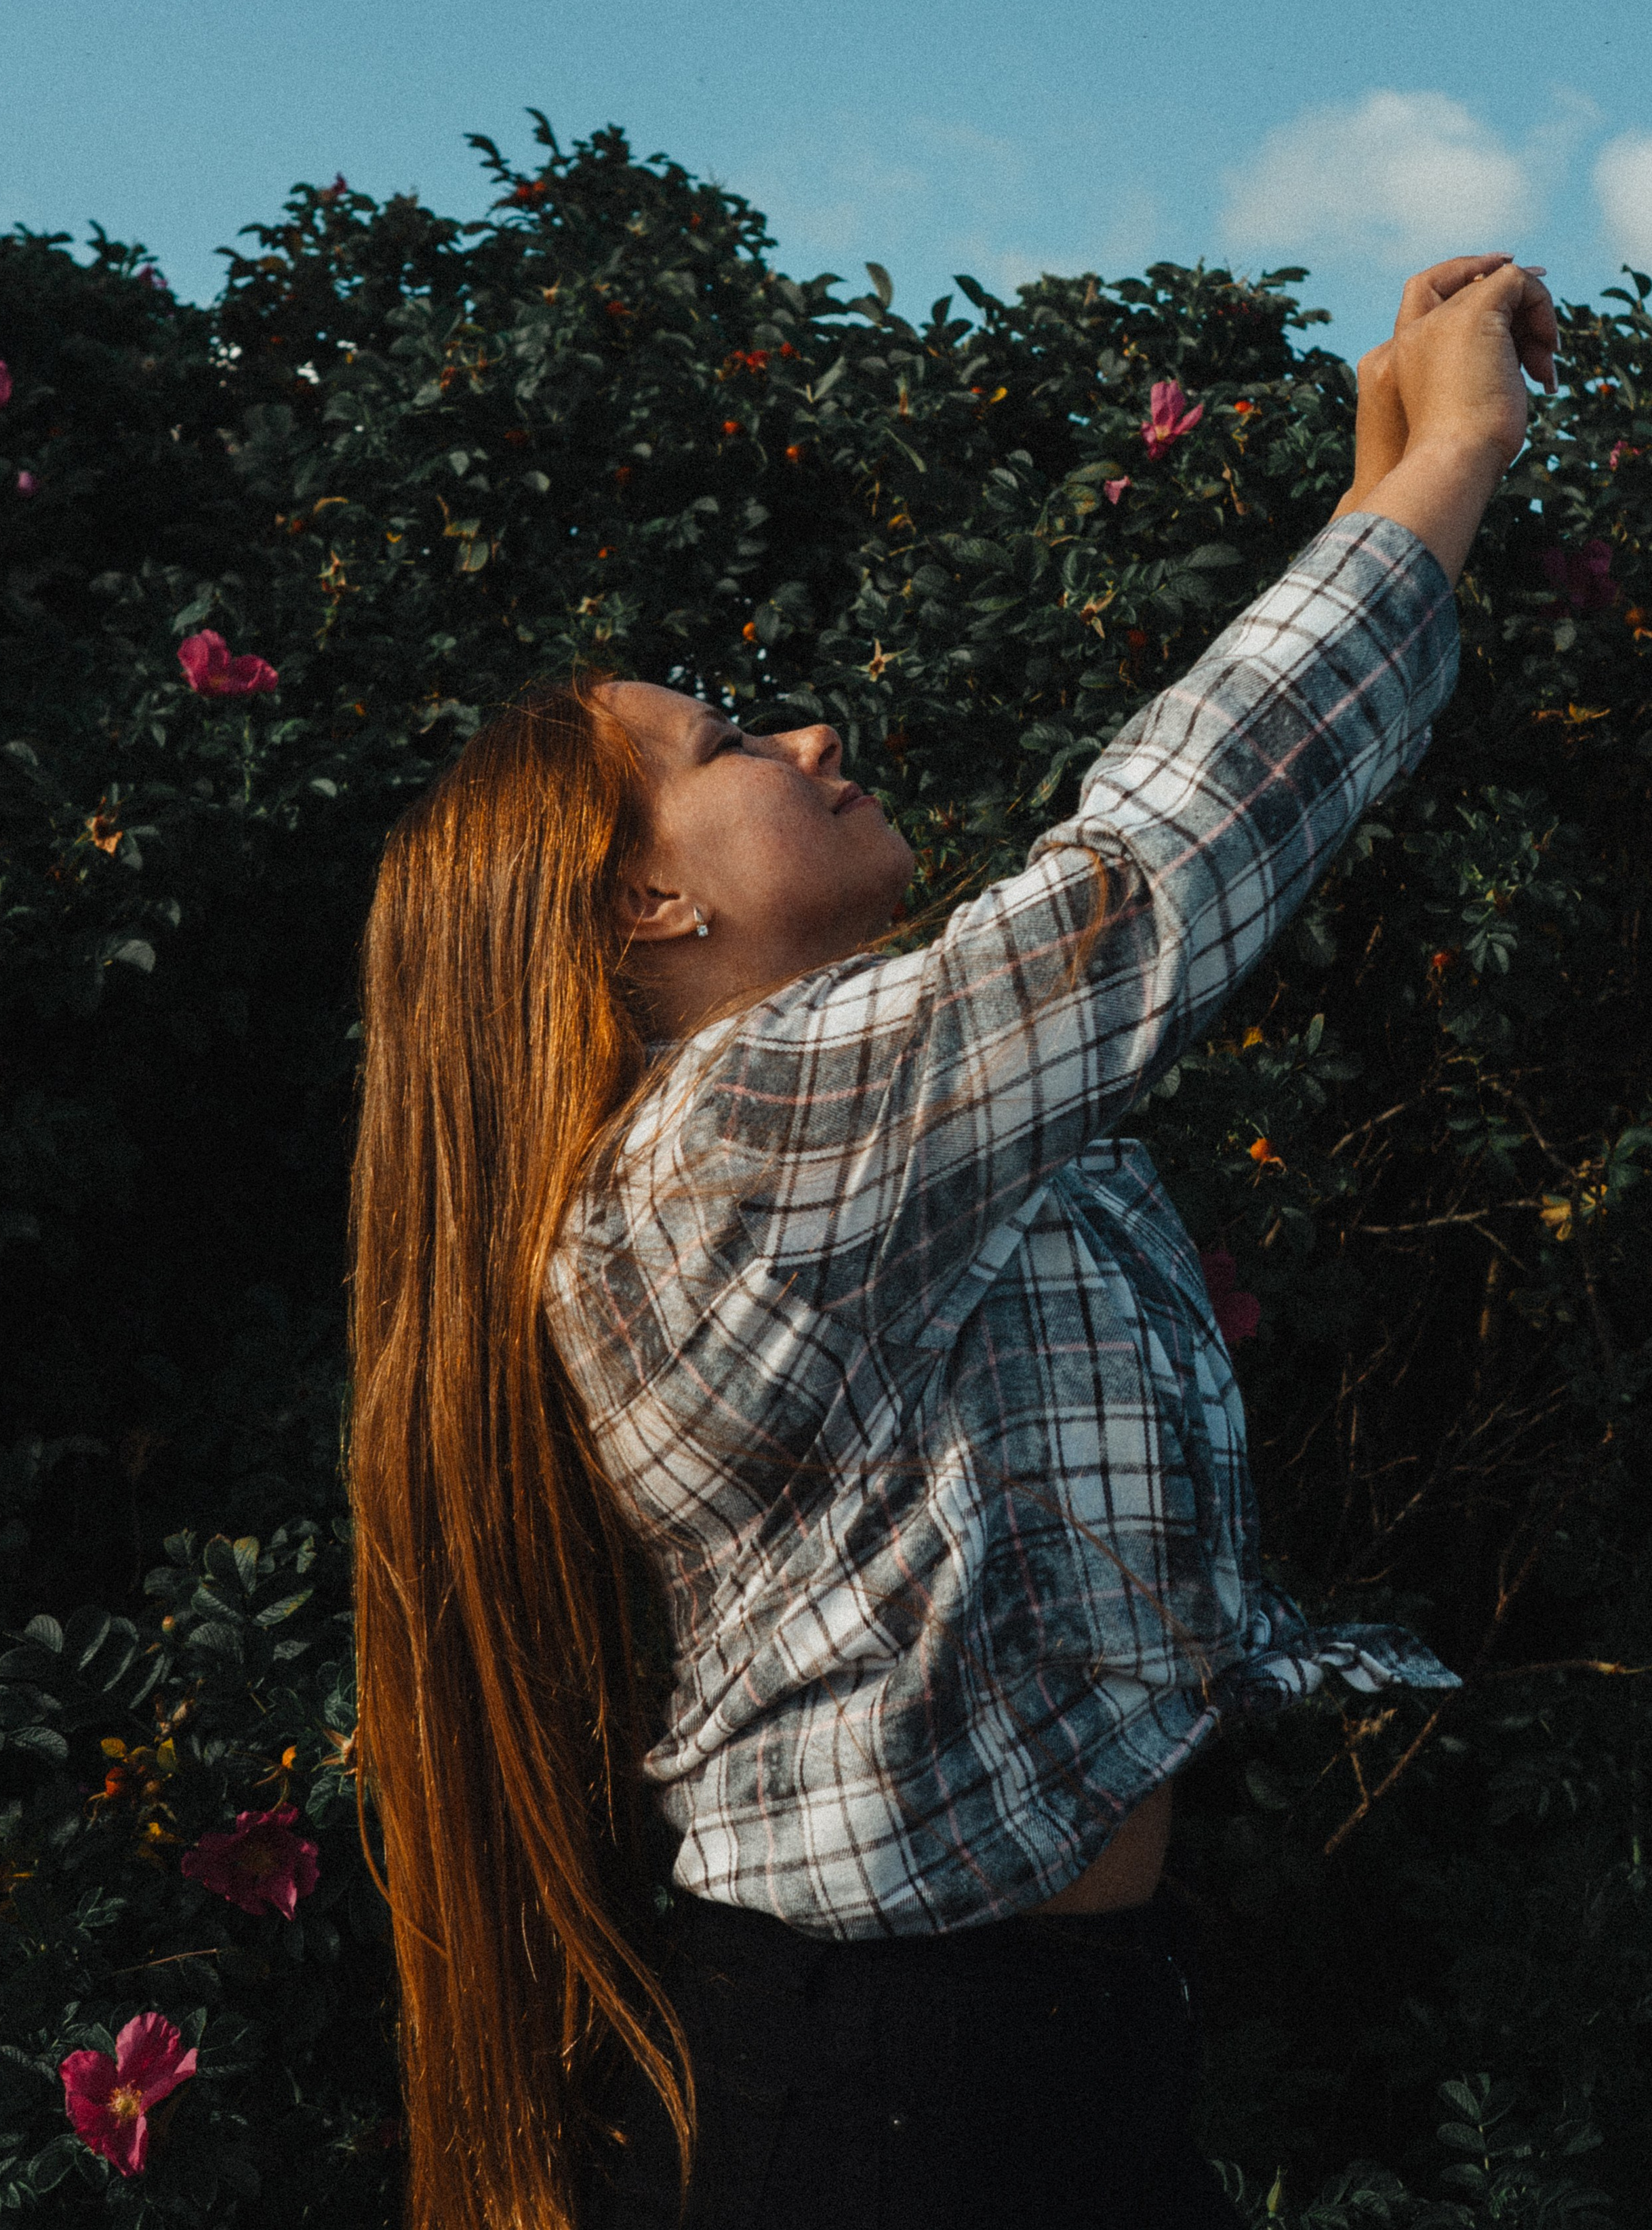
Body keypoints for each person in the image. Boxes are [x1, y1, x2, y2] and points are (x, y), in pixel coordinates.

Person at [344, 254, 1558, 2230]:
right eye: (730, 743)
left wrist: (1383, 488)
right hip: (893, 2096)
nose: (812, 736)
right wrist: (1449, 471)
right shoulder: (727, 1147)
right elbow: (1153, 880)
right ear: (639, 910)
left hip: (1021, 2051)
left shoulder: (870, 1141)